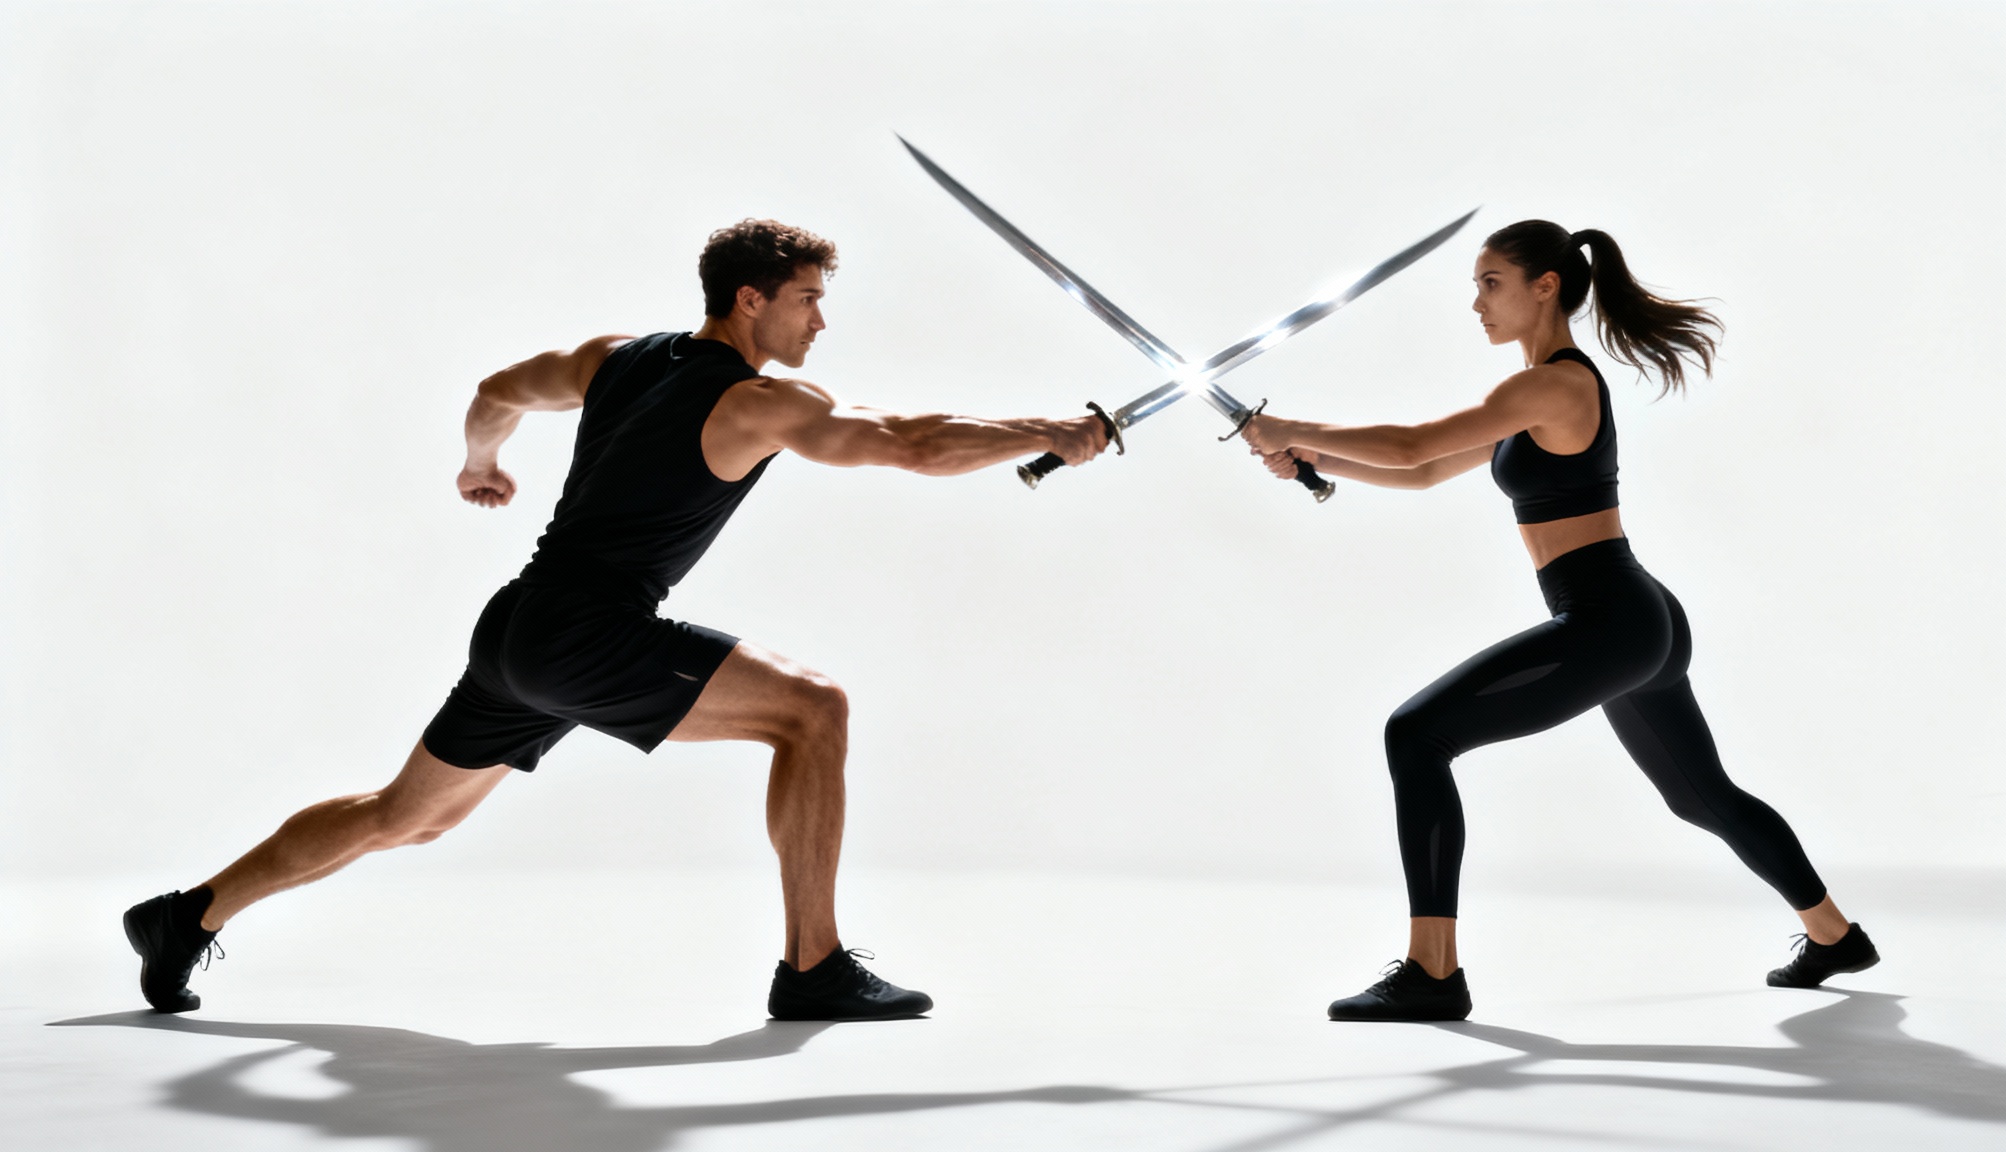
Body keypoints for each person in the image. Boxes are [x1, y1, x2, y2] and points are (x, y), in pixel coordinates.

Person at [123, 219, 1109, 1021]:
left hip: (518, 627)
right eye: (807, 298)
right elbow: (907, 444)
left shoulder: (614, 358)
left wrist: (479, 464)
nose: (820, 320)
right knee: (813, 711)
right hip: (584, 635)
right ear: (750, 299)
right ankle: (813, 968)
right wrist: (1054, 432)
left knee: (402, 817)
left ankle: (185, 916)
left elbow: (496, 391)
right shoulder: (758, 402)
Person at [1240, 220, 1879, 1022]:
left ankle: (1433, 972)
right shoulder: (1534, 393)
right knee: (1700, 795)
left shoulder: (1553, 385)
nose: (1477, 303)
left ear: (1545, 287)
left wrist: (1291, 428)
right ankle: (1834, 936)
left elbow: (1410, 445)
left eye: (1491, 283)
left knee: (1416, 735)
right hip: (1635, 617)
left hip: (1609, 618)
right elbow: (1428, 469)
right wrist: (1316, 460)